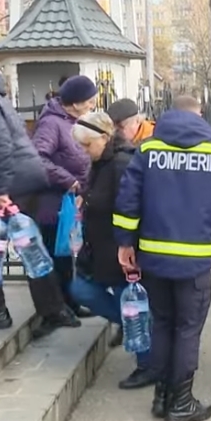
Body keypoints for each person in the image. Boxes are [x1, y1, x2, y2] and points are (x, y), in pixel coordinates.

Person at [113, 94, 211, 421]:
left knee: (164, 324)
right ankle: (181, 403)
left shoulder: (148, 150)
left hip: (152, 257)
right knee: (187, 330)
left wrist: (126, 243)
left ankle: (162, 397)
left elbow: (128, 200)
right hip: (194, 260)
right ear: (199, 116)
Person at [0, 58, 79, 335]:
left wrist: (0, 189)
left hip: (9, 180)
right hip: (24, 176)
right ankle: (55, 309)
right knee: (29, 245)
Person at [67, 111, 154, 390]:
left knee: (126, 303)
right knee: (81, 289)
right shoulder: (102, 163)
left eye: (86, 145)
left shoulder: (121, 164)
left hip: (120, 252)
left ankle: (148, 363)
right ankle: (146, 329)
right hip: (101, 248)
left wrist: (129, 248)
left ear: (104, 138)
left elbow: (132, 208)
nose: (83, 151)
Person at [32, 74, 98, 319]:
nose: (92, 105)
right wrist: (68, 180)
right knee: (55, 254)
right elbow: (38, 158)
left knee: (69, 254)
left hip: (72, 200)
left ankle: (70, 303)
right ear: (77, 101)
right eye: (89, 100)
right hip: (54, 202)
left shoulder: (74, 121)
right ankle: (57, 307)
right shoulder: (52, 123)